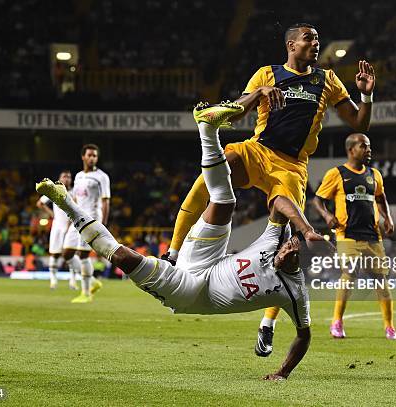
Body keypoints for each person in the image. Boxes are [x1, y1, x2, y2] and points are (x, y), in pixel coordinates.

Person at [36, 103, 322, 380]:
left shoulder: (295, 291)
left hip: (192, 293)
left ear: (298, 266)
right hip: (205, 259)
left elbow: (304, 336)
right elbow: (280, 202)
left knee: (123, 257)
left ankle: (66, 204)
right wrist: (306, 230)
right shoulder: (275, 242)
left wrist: (282, 373)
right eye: (289, 246)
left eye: (293, 255)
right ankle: (207, 128)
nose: (287, 251)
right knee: (224, 200)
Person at [162, 22, 376, 354]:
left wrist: (366, 93)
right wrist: (259, 93)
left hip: (292, 166)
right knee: (211, 175)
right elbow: (232, 114)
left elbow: (359, 123)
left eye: (317, 39)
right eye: (309, 39)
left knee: (283, 244)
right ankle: (173, 254)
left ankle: (268, 323)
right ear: (292, 45)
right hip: (257, 150)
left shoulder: (327, 80)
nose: (316, 44)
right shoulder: (267, 74)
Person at [311, 133, 396, 340]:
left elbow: (381, 197)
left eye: (368, 146)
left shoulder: (374, 174)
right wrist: (326, 215)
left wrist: (389, 218)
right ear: (351, 150)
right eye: (363, 146)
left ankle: (389, 326)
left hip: (372, 235)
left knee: (381, 281)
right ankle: (337, 322)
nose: (368, 150)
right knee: (349, 274)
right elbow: (318, 200)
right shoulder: (337, 173)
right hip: (346, 234)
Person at [62, 144, 111, 303]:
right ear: (83, 157)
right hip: (76, 218)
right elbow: (75, 199)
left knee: (83, 255)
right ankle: (93, 282)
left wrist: (102, 224)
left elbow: (105, 201)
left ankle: (86, 293)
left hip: (91, 219)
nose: (92, 158)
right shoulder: (78, 176)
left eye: (95, 156)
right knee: (67, 253)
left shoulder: (102, 176)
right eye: (89, 155)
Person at [36, 170, 77, 290]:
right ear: (60, 178)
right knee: (54, 254)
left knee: (71, 254)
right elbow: (40, 203)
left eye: (69, 177)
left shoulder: (74, 192)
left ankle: (73, 280)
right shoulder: (54, 190)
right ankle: (53, 280)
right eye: (64, 176)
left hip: (71, 227)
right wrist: (52, 214)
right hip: (57, 226)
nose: (67, 179)